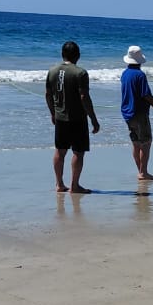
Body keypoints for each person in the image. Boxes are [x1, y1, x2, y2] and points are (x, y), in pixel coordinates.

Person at [46, 40, 100, 193]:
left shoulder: (52, 71)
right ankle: (74, 185)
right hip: (77, 118)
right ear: (78, 56)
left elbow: (47, 95)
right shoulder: (80, 73)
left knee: (60, 151)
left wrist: (52, 112)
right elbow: (84, 97)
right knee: (78, 152)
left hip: (60, 117)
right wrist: (93, 119)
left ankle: (59, 184)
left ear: (62, 54)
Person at [120, 46, 153, 181]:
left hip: (127, 112)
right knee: (146, 142)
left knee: (136, 143)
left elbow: (136, 94)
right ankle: (143, 172)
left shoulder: (125, 74)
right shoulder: (140, 75)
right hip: (139, 113)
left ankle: (141, 170)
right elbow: (146, 95)